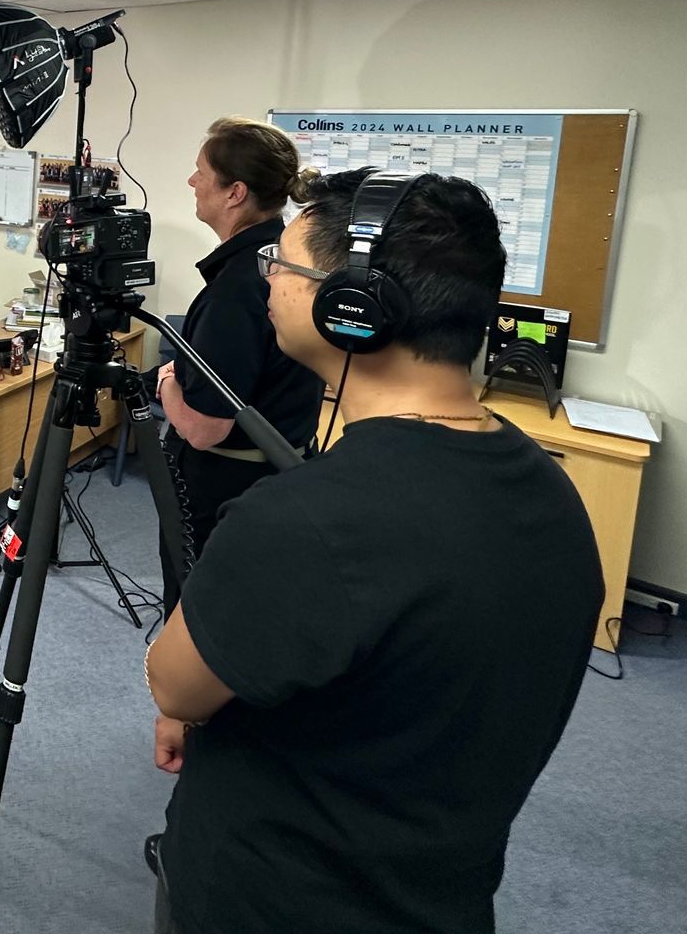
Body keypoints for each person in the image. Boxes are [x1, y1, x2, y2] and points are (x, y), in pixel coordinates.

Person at [142, 169, 604, 934]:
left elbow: (176, 687)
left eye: (282, 266)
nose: (268, 282)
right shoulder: (551, 495)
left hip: (267, 902)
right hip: (441, 898)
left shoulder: (304, 524)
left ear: (353, 306)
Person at [153, 117, 323, 599]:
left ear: (235, 193)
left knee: (199, 607)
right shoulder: (287, 260)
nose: (191, 181)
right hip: (277, 474)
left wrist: (167, 383)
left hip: (223, 485)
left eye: (201, 171)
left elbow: (204, 430)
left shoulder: (235, 291)